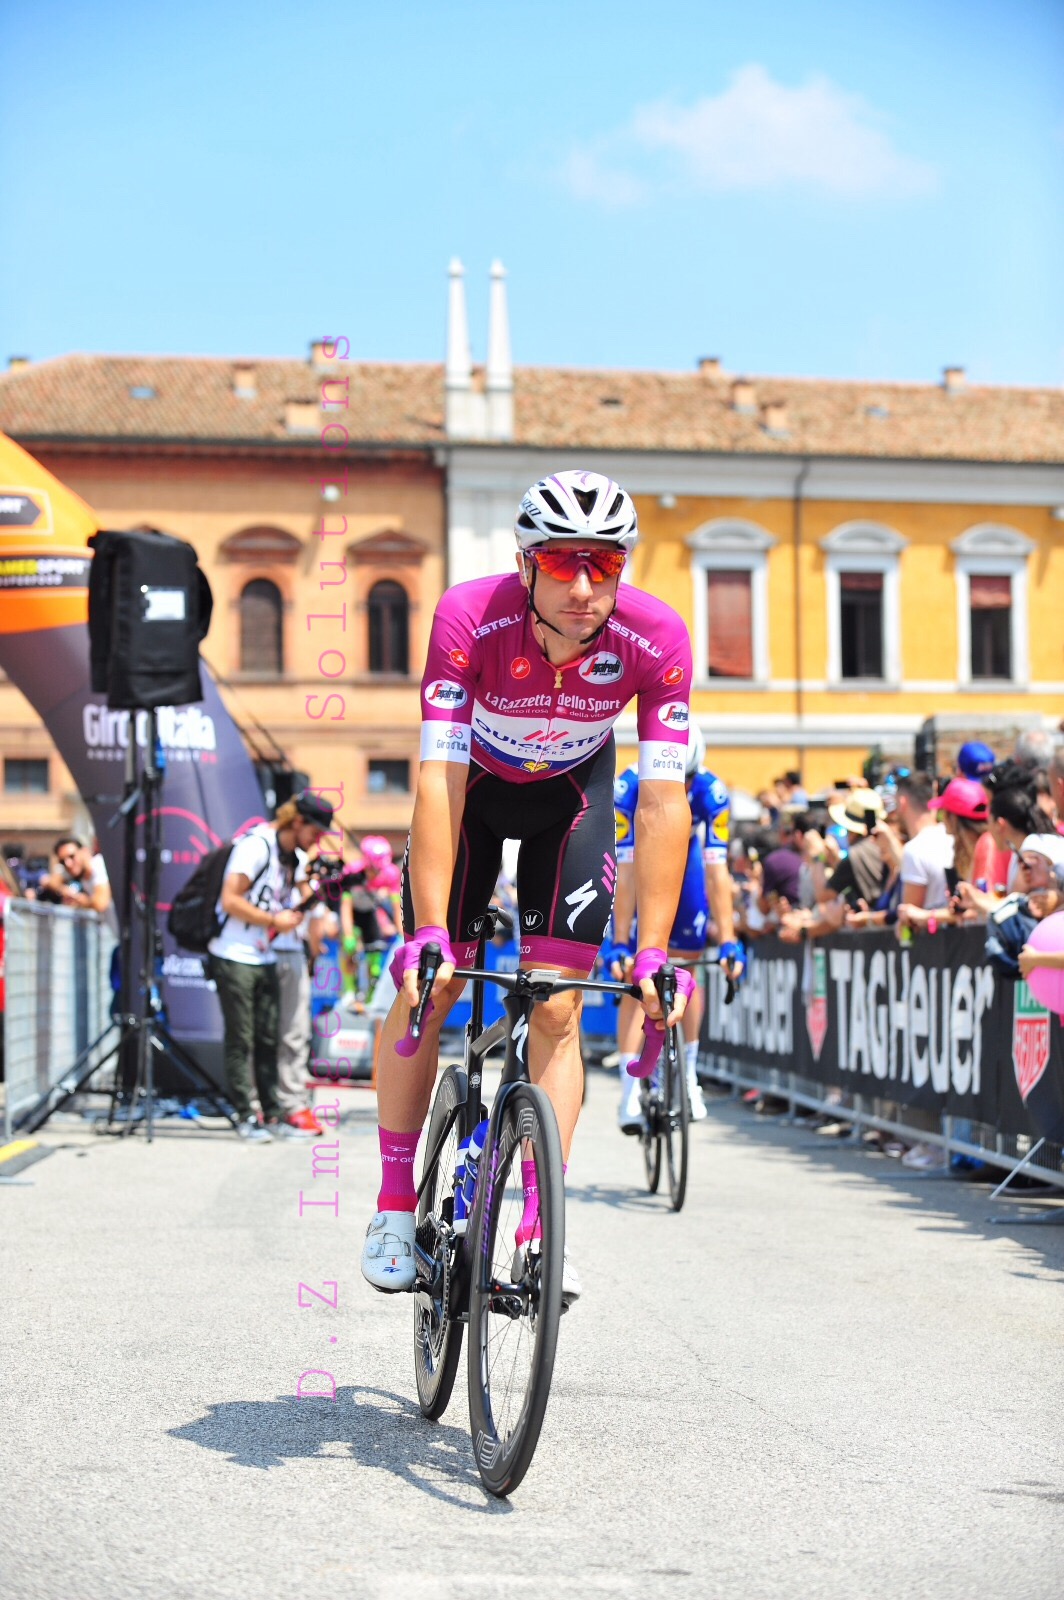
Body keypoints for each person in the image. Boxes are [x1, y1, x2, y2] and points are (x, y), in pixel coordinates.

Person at [359, 469, 696, 1297]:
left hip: (569, 803)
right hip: (468, 797)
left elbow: (659, 801)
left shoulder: (657, 639)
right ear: (525, 563)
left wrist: (650, 950)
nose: (585, 587)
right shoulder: (469, 618)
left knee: (557, 1006)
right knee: (429, 991)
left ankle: (542, 1228)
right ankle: (395, 1203)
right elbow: (435, 778)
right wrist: (430, 929)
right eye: (562, 562)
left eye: (606, 566)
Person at [608, 725, 744, 1129]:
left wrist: (730, 938)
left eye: (687, 780)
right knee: (637, 976)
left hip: (687, 873)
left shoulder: (711, 792)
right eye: (674, 780)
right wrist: (619, 939)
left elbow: (719, 874)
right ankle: (629, 1093)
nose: (681, 789)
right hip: (641, 868)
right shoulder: (628, 788)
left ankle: (689, 1075)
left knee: (687, 965)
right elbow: (627, 870)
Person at [207, 790, 333, 1141]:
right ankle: (245, 1115)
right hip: (233, 953)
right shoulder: (256, 846)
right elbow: (230, 899)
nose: (318, 840)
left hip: (262, 955)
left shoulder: (288, 856)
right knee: (242, 1038)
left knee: (267, 1037)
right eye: (316, 832)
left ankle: (273, 1115)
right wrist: (272, 920)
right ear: (298, 822)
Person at [41, 836, 112, 916]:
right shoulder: (75, 869)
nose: (68, 864)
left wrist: (79, 899)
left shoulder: (99, 865)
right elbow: (50, 882)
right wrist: (64, 890)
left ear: (84, 851)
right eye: (62, 861)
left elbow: (100, 903)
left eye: (72, 856)